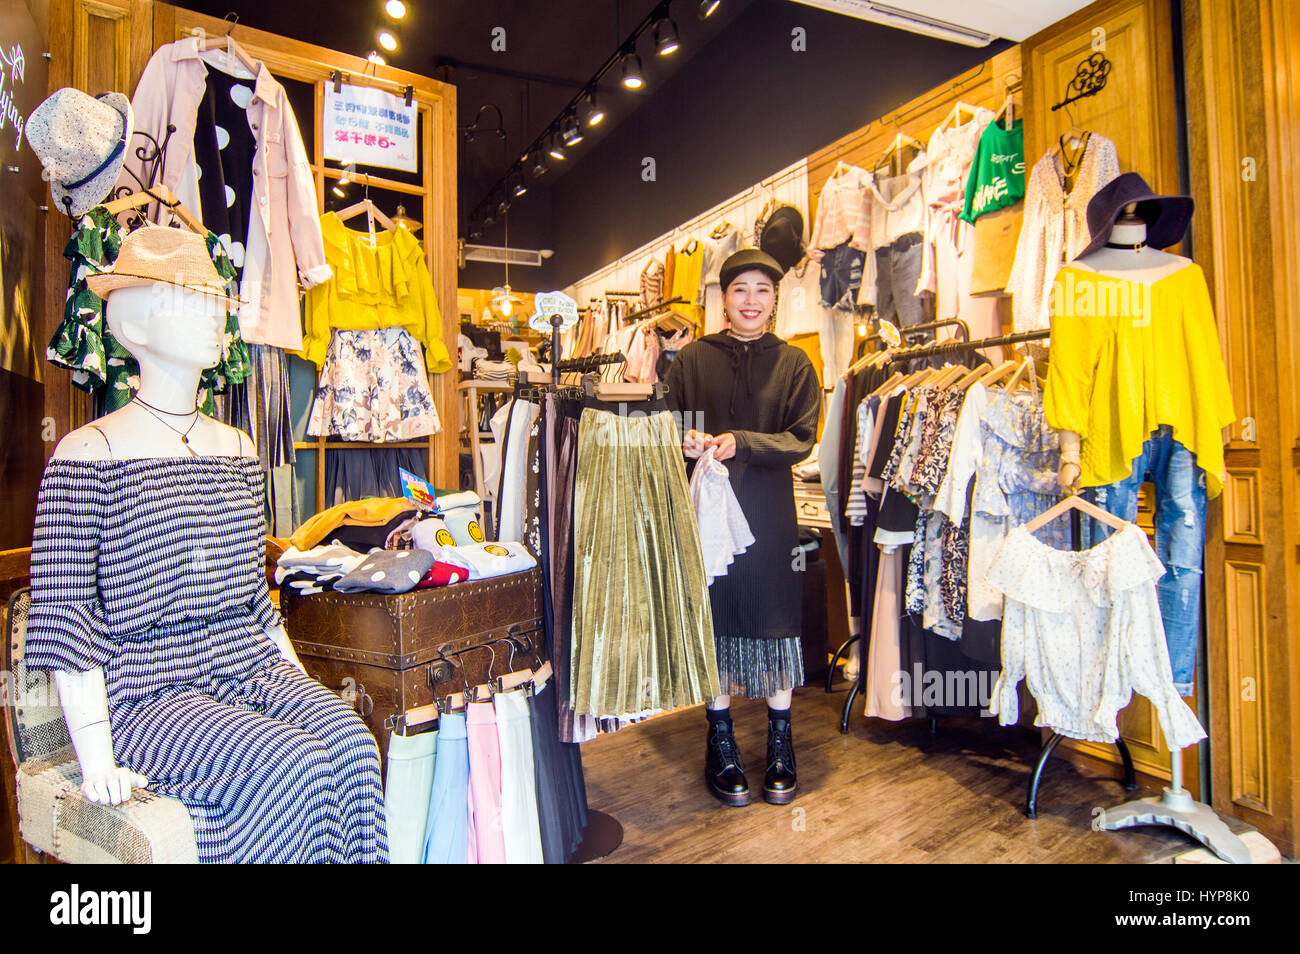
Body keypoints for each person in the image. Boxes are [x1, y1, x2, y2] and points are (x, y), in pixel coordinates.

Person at [664, 248, 821, 806]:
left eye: (762, 290)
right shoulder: (692, 359)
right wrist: (683, 441)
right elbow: (669, 421)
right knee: (716, 623)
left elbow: (803, 437)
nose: (751, 301)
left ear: (776, 298)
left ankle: (781, 742)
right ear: (722, 298)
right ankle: (721, 739)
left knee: (775, 625)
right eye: (740, 290)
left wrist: (746, 442)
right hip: (708, 517)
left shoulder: (796, 363)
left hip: (771, 517)